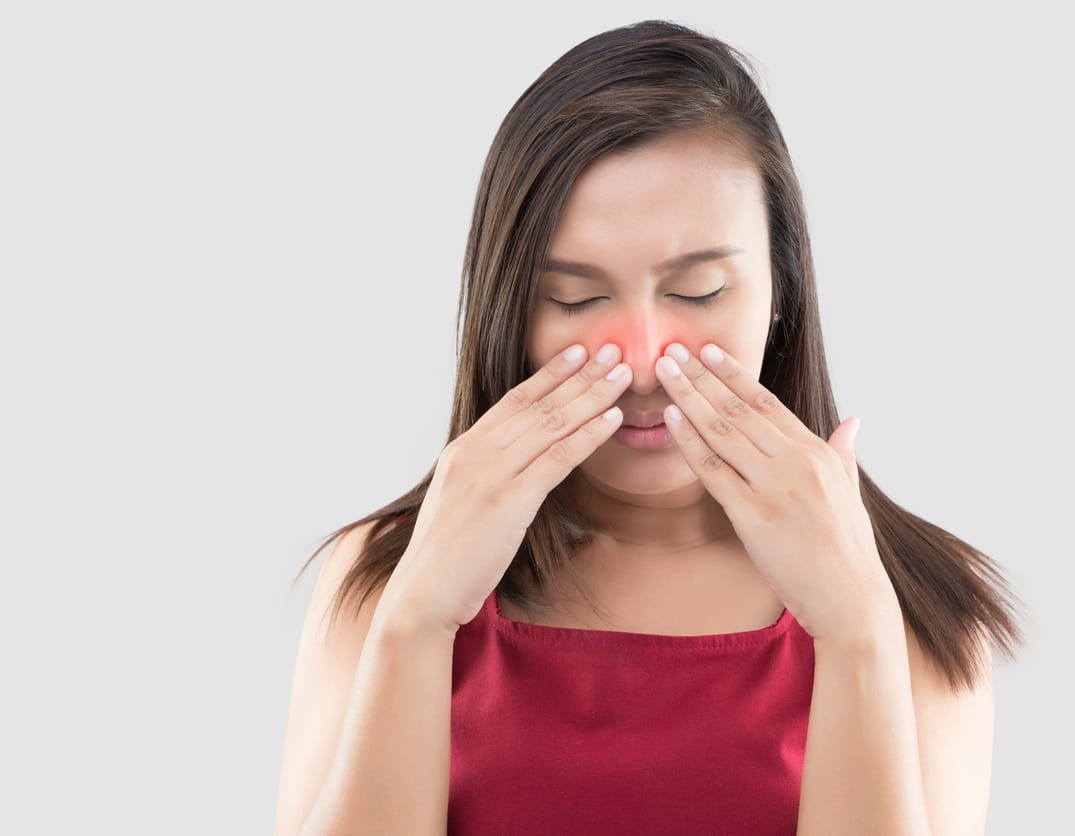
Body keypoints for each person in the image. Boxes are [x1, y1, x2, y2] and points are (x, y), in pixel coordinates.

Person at [274, 19, 1024, 836]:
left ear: (783, 294)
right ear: (507, 313)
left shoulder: (924, 610)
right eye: (574, 299)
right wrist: (416, 621)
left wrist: (857, 632)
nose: (639, 362)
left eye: (699, 292)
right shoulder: (381, 578)